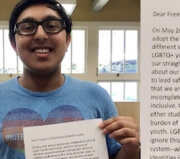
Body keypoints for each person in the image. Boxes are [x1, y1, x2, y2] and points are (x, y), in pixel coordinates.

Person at [0, 0, 140, 158]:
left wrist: (130, 150)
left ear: (67, 40)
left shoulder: (96, 96)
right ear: (13, 43)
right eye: (28, 27)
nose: (40, 35)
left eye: (52, 26)